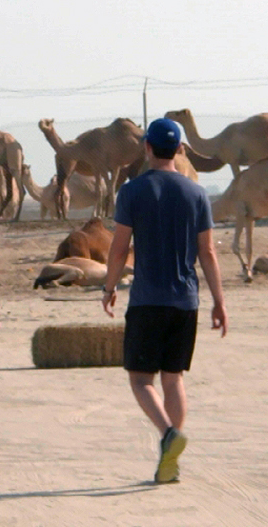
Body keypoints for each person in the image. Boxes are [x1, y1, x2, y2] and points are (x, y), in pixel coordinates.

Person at [101, 118, 227, 484]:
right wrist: (219, 300)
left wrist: (108, 287)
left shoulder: (132, 192)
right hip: (185, 300)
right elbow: (207, 253)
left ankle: (169, 435)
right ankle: (169, 461)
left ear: (147, 148)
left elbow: (120, 247)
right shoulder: (196, 194)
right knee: (174, 379)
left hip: (147, 299)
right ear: (181, 150)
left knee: (141, 380)